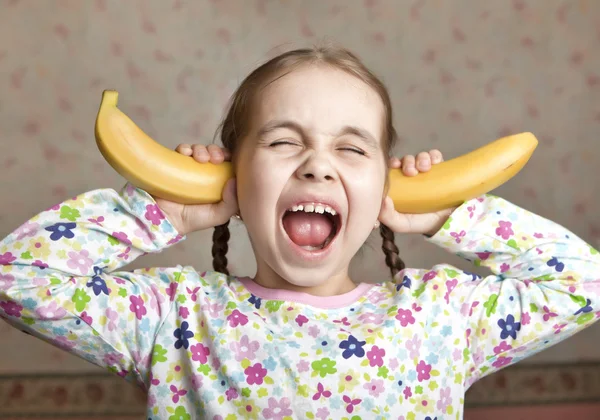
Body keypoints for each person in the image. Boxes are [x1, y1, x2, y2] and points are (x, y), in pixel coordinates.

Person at [1, 45, 598, 420]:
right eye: (284, 142)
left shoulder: (439, 318)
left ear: (381, 189)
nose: (316, 164)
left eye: (351, 147)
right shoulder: (175, 316)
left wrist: (448, 214)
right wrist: (169, 211)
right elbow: (18, 277)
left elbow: (585, 284)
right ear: (233, 175)